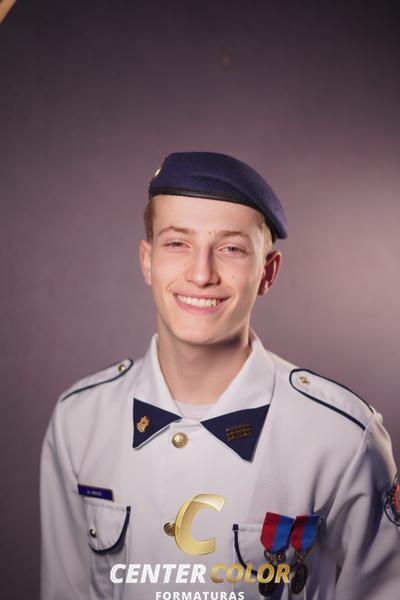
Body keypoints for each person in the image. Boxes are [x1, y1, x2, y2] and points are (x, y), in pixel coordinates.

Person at [40, 152, 400, 600]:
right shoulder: (78, 420)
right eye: (177, 243)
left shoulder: (342, 438)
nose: (201, 274)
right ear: (147, 261)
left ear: (267, 272)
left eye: (231, 248)